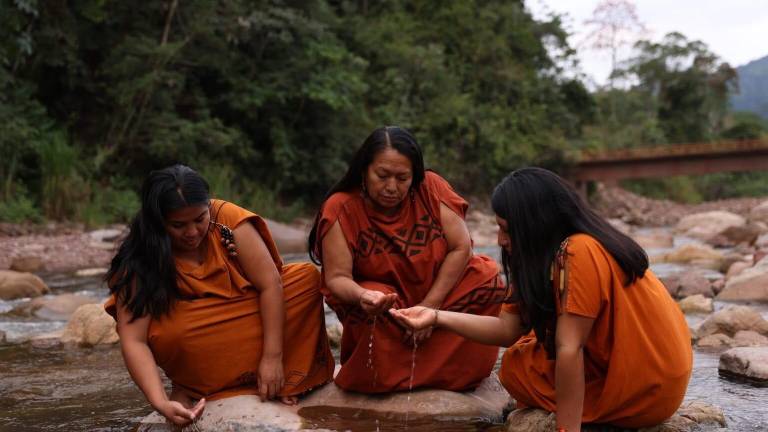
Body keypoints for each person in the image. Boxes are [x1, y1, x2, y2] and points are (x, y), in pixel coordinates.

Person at [390, 167, 692, 431]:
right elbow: (507, 330)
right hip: (663, 382)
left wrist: (566, 429)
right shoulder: (558, 251)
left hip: (644, 390)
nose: (499, 240)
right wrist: (436, 316)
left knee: (516, 367)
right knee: (522, 349)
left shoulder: (579, 250)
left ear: (535, 225)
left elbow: (569, 347)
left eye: (506, 229)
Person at [104, 165, 334, 427]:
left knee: (305, 279)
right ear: (158, 222)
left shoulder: (227, 218)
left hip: (243, 313)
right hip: (195, 333)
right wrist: (160, 402)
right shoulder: (141, 255)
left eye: (200, 219)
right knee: (171, 330)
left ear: (208, 208)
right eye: (178, 225)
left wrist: (273, 358)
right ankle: (196, 384)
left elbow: (271, 285)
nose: (192, 233)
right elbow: (134, 340)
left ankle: (266, 377)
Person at [308, 126, 506, 393]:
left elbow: (460, 248)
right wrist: (362, 296)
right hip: (392, 309)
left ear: (415, 176)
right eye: (382, 175)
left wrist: (431, 309)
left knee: (488, 280)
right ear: (364, 171)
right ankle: (386, 375)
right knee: (377, 300)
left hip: (439, 298)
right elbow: (336, 278)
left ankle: (453, 372)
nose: (392, 187)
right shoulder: (341, 207)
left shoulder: (432, 188)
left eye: (402, 178)